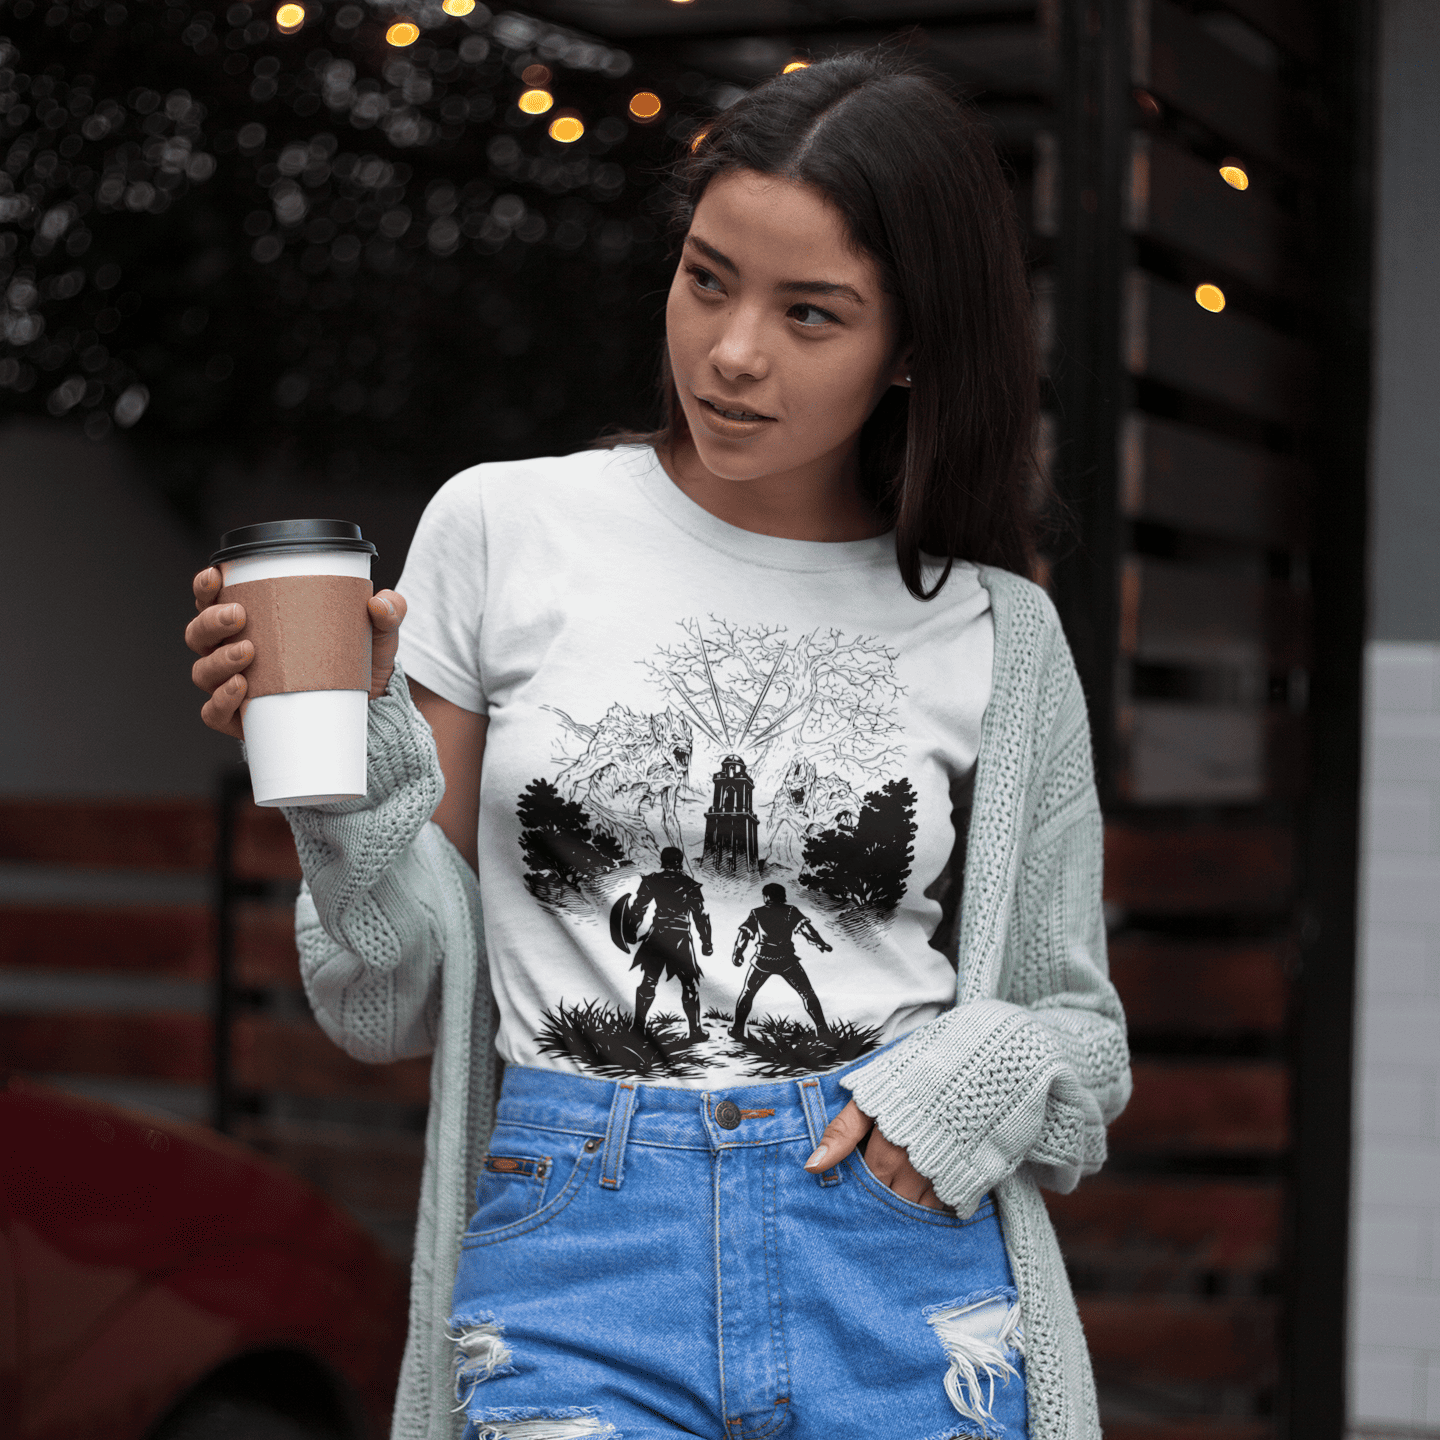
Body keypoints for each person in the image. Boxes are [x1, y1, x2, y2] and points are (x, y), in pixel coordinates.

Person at [186, 49, 1130, 1440]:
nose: (734, 351)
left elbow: (1083, 1049)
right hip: (581, 1244)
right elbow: (382, 1004)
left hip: (892, 1255)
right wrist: (346, 784)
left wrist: (962, 1077)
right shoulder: (506, 530)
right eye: (707, 278)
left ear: (915, 346)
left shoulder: (999, 629)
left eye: (813, 314)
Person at [624, 845, 713, 1041]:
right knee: (688, 984)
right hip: (681, 937)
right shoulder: (689, 884)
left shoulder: (652, 881)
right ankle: (695, 1031)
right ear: (679, 862)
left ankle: (638, 1027)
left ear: (662, 861)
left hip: (657, 935)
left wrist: (631, 930)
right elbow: (700, 916)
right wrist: (707, 943)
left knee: (648, 981)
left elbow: (639, 908)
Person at [729, 881, 834, 1043]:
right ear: (782, 896)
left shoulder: (757, 913)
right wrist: (820, 943)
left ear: (766, 897)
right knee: (807, 993)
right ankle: (823, 1030)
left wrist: (738, 953)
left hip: (762, 959)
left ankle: (737, 1029)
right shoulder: (791, 911)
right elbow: (807, 930)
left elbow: (744, 935)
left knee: (748, 992)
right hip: (787, 959)